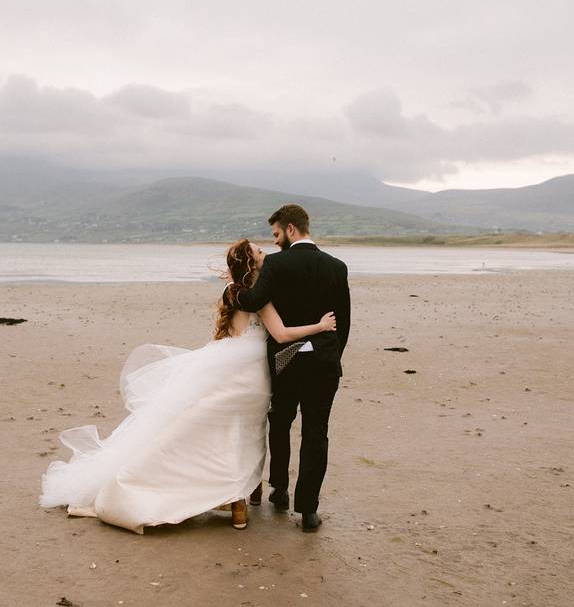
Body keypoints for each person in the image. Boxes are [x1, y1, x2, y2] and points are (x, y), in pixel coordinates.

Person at [39, 238, 336, 534]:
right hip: (252, 371)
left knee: (203, 424)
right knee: (246, 430)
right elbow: (282, 335)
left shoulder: (230, 290)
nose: (265, 254)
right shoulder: (258, 296)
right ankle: (238, 496)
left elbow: (228, 332)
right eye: (259, 252)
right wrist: (320, 326)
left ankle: (237, 495)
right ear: (251, 262)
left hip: (226, 361)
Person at [232, 204, 350, 533]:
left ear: (291, 230)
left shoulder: (276, 264)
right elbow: (344, 322)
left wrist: (233, 290)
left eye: (276, 234)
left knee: (280, 423)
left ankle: (279, 490)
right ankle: (309, 512)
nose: (275, 241)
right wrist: (331, 354)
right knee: (316, 434)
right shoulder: (337, 267)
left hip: (285, 360)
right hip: (324, 363)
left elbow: (254, 301)